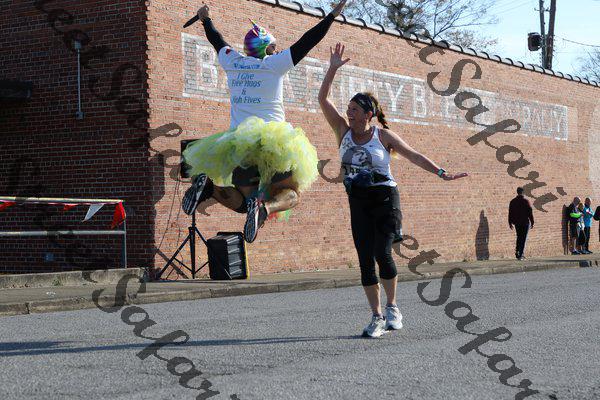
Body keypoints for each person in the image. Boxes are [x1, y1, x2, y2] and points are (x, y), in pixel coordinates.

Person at [319, 43, 468, 338]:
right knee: (364, 259)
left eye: (354, 110)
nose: (349, 113)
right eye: (348, 109)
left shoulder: (383, 135)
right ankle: (376, 316)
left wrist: (442, 173)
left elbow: (413, 155)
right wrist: (332, 69)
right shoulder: (342, 131)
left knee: (382, 253)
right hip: (358, 202)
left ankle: (392, 307)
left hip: (386, 199)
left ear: (368, 114)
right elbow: (322, 98)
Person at [182, 1, 348, 243]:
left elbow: (217, 40)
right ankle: (264, 209)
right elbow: (307, 41)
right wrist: (332, 15)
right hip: (274, 142)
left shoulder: (232, 62)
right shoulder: (273, 65)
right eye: (273, 47)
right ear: (265, 48)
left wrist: (206, 19)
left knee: (242, 201)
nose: (276, 51)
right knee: (291, 193)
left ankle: (209, 187)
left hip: (239, 143)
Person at [508, 187, 534, 260]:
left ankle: (517, 251)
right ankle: (521, 254)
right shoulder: (526, 201)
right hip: (525, 222)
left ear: (517, 192)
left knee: (519, 237)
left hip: (517, 222)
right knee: (523, 238)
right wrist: (532, 221)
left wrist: (510, 222)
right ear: (523, 193)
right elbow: (530, 212)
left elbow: (510, 213)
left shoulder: (512, 202)